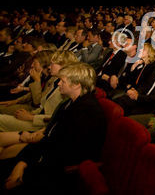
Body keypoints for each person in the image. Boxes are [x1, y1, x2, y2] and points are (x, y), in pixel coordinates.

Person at [1, 62, 106, 193]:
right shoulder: (70, 103)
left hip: (57, 172)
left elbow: (61, 149)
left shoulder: (86, 111)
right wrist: (23, 162)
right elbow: (51, 139)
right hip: (47, 158)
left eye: (62, 81)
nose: (58, 84)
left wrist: (23, 165)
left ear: (76, 84)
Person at [0, 50, 78, 132]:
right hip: (36, 116)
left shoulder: (65, 86)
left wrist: (31, 117)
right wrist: (19, 104)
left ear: (63, 66)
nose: (49, 67)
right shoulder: (55, 80)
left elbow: (38, 103)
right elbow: (42, 105)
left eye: (52, 64)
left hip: (41, 125)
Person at [114, 43, 155, 116]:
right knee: (118, 101)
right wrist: (135, 92)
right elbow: (147, 84)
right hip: (142, 98)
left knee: (127, 112)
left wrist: (138, 97)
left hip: (152, 106)